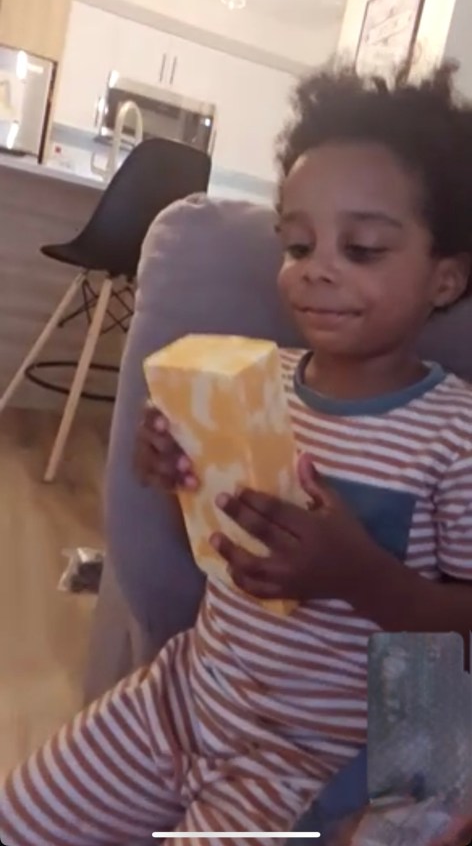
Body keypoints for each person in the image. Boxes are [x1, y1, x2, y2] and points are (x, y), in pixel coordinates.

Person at [3, 61, 472, 846]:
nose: (316, 268)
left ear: (445, 279)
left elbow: (456, 652)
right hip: (183, 698)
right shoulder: (256, 376)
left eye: (361, 248)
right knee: (20, 817)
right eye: (296, 242)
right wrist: (171, 476)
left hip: (311, 763)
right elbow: (213, 534)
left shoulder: (454, 434)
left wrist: (355, 573)